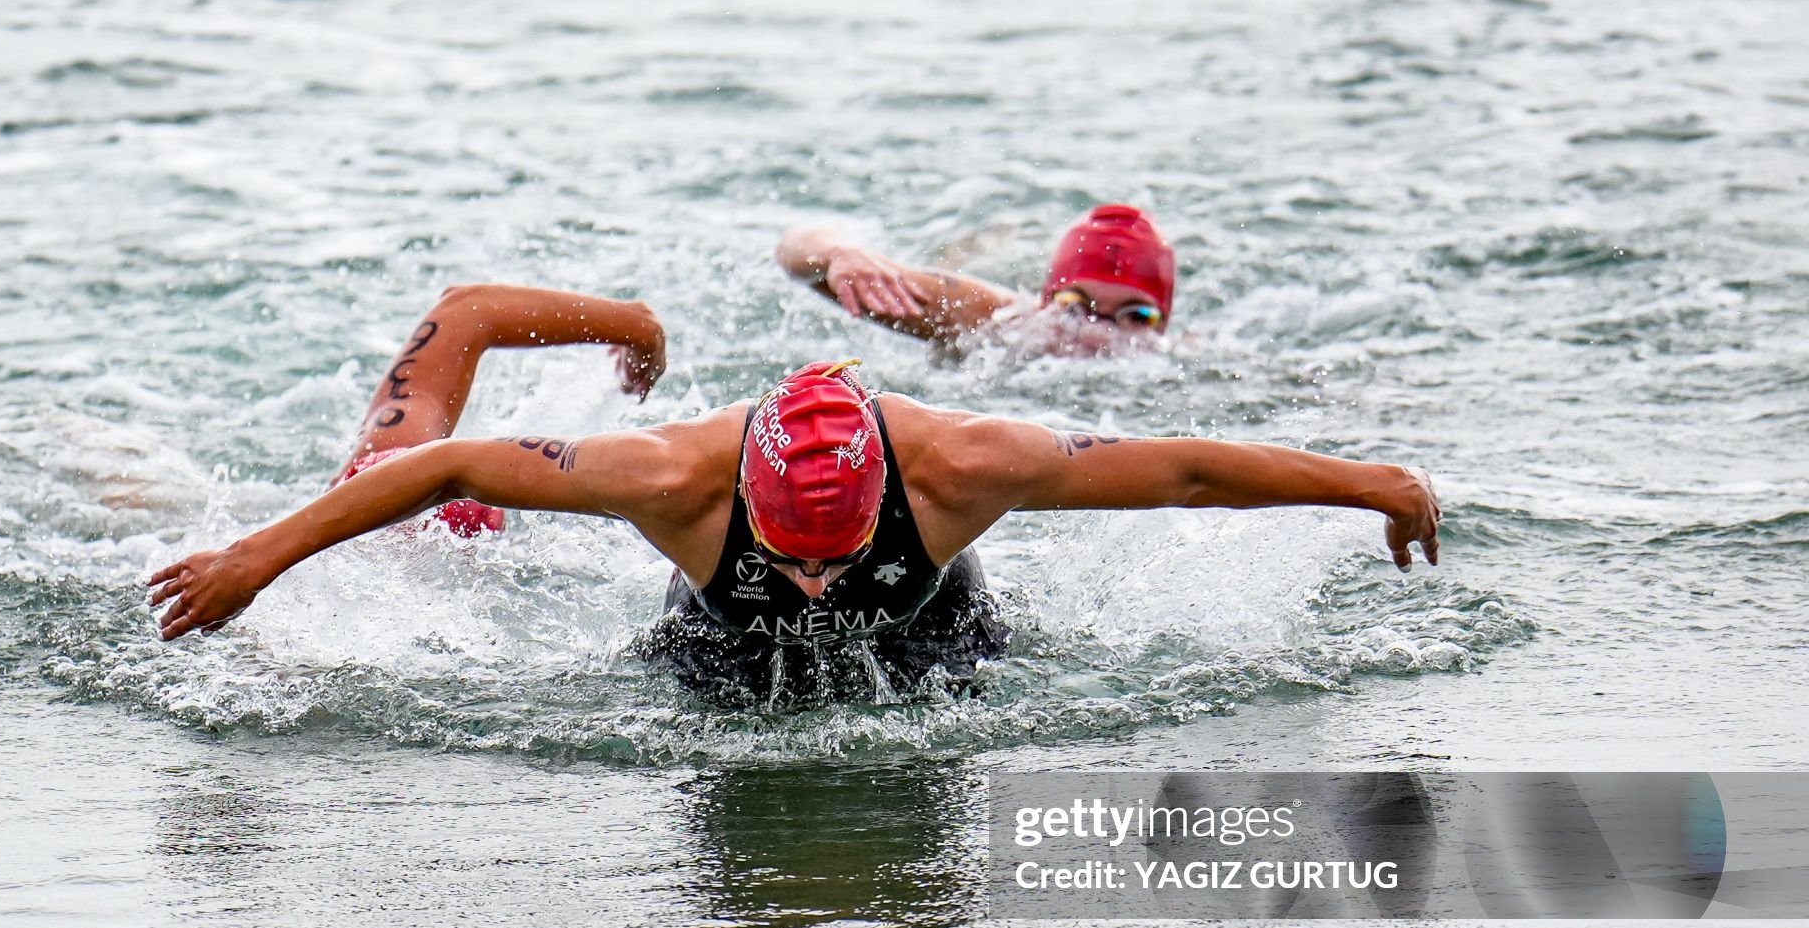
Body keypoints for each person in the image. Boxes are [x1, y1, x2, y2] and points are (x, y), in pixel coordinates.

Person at [148, 283, 1440, 705]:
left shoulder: (968, 464)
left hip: (931, 637)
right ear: (746, 500)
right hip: (719, 645)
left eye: (836, 552)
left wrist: (1370, 482)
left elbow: (1189, 467)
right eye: (796, 550)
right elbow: (436, 462)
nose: (820, 581)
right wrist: (259, 557)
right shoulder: (663, 476)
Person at [776, 204, 1177, 358]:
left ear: (1165, 323)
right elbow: (795, 250)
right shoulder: (990, 319)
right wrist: (838, 253)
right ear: (1044, 300)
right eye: (1075, 306)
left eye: (1135, 316)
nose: (1095, 333)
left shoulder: (1185, 363)